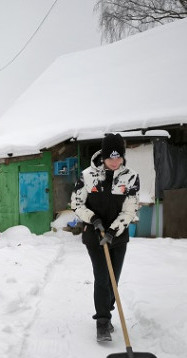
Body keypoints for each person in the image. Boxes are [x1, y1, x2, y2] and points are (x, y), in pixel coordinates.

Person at [71, 133, 140, 342]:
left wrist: (112, 230)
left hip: (118, 237)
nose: (114, 161)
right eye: (110, 157)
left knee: (112, 281)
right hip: (94, 235)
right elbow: (76, 204)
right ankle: (102, 322)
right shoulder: (87, 176)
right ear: (103, 156)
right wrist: (93, 220)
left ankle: (107, 309)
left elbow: (130, 209)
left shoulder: (131, 177)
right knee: (102, 278)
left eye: (118, 157)